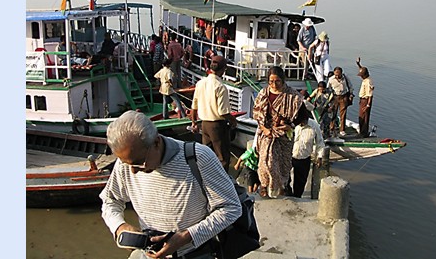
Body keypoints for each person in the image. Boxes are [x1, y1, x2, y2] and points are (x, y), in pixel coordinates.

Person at [99, 110, 242, 259]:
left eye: (139, 163)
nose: (133, 171)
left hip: (194, 253)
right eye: (126, 164)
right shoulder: (127, 163)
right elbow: (110, 200)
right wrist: (119, 227)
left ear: (156, 142)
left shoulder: (199, 157)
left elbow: (231, 208)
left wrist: (186, 236)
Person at [252, 66, 308, 198]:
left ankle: (282, 186)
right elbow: (257, 113)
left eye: (277, 81)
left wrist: (291, 126)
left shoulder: (293, 96)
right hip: (267, 134)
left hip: (284, 136)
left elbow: (303, 115)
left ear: (283, 80)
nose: (274, 84)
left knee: (283, 164)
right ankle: (265, 185)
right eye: (271, 81)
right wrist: (265, 129)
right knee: (266, 161)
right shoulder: (263, 94)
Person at [190, 56, 238, 172]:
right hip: (217, 126)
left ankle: (206, 180)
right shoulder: (220, 87)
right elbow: (223, 112)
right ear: (223, 70)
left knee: (206, 156)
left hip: (204, 125)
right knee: (222, 158)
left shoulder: (200, 83)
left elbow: (194, 107)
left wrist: (193, 122)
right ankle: (222, 183)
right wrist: (233, 121)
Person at [286, 106, 326, 198]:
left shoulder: (314, 126)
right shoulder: (292, 124)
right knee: (285, 179)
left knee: (300, 183)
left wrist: (319, 157)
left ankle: (296, 198)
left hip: (304, 158)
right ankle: (288, 193)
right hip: (289, 156)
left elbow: (320, 143)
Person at [327, 66, 354, 138]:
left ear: (341, 73)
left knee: (343, 114)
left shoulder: (345, 78)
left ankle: (342, 130)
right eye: (335, 74)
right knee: (333, 114)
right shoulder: (331, 79)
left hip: (343, 97)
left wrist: (351, 94)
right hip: (335, 97)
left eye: (338, 74)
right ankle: (331, 128)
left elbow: (350, 86)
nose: (337, 76)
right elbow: (328, 89)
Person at [356, 57, 374, 138]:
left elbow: (370, 95)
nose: (360, 77)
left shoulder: (368, 82)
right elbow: (362, 69)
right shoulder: (366, 78)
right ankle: (362, 131)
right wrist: (358, 64)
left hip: (366, 101)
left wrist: (367, 105)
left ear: (364, 75)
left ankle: (363, 133)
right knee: (361, 116)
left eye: (361, 75)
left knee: (364, 117)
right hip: (362, 100)